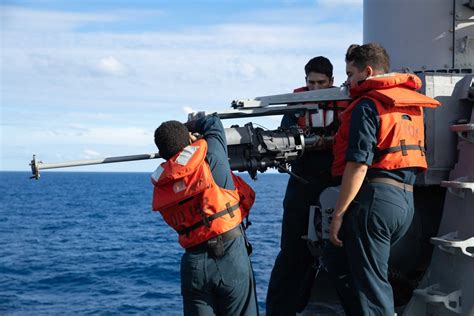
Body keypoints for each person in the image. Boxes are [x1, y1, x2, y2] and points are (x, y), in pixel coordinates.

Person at [327, 43, 440, 315]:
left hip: (375, 201)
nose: (348, 81)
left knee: (373, 289)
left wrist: (339, 214)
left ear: (366, 71)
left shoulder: (368, 104)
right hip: (405, 202)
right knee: (339, 263)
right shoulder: (411, 105)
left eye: (351, 74)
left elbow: (358, 164)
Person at [151, 114, 259, 316]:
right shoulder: (212, 161)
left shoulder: (164, 186)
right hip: (230, 256)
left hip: (193, 265)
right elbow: (213, 123)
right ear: (190, 140)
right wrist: (188, 126)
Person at [266, 56, 347, 315]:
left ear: (332, 81)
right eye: (310, 82)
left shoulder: (346, 104)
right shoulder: (296, 107)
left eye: (320, 82)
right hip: (302, 184)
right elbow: (282, 140)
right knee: (292, 252)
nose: (314, 88)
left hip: (335, 185)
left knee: (338, 251)